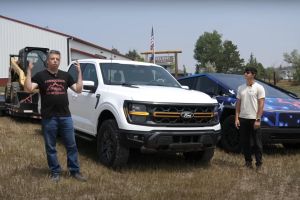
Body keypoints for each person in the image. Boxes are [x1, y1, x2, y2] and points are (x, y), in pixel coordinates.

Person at [25, 50, 87, 182]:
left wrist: (80, 73)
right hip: (49, 118)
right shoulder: (41, 76)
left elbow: (78, 89)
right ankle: (55, 172)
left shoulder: (66, 76)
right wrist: (29, 71)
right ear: (47, 61)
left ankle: (74, 171)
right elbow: (28, 88)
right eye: (52, 59)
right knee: (51, 147)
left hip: (66, 117)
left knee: (71, 145)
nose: (55, 61)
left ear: (60, 61)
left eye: (57, 59)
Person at [235, 67, 265, 170]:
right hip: (243, 119)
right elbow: (238, 104)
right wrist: (236, 118)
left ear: (253, 75)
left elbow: (261, 105)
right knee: (245, 142)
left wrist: (258, 119)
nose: (245, 74)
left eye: (247, 72)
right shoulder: (240, 88)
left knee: (257, 143)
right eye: (245, 72)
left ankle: (259, 164)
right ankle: (248, 162)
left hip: (254, 119)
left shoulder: (259, 87)